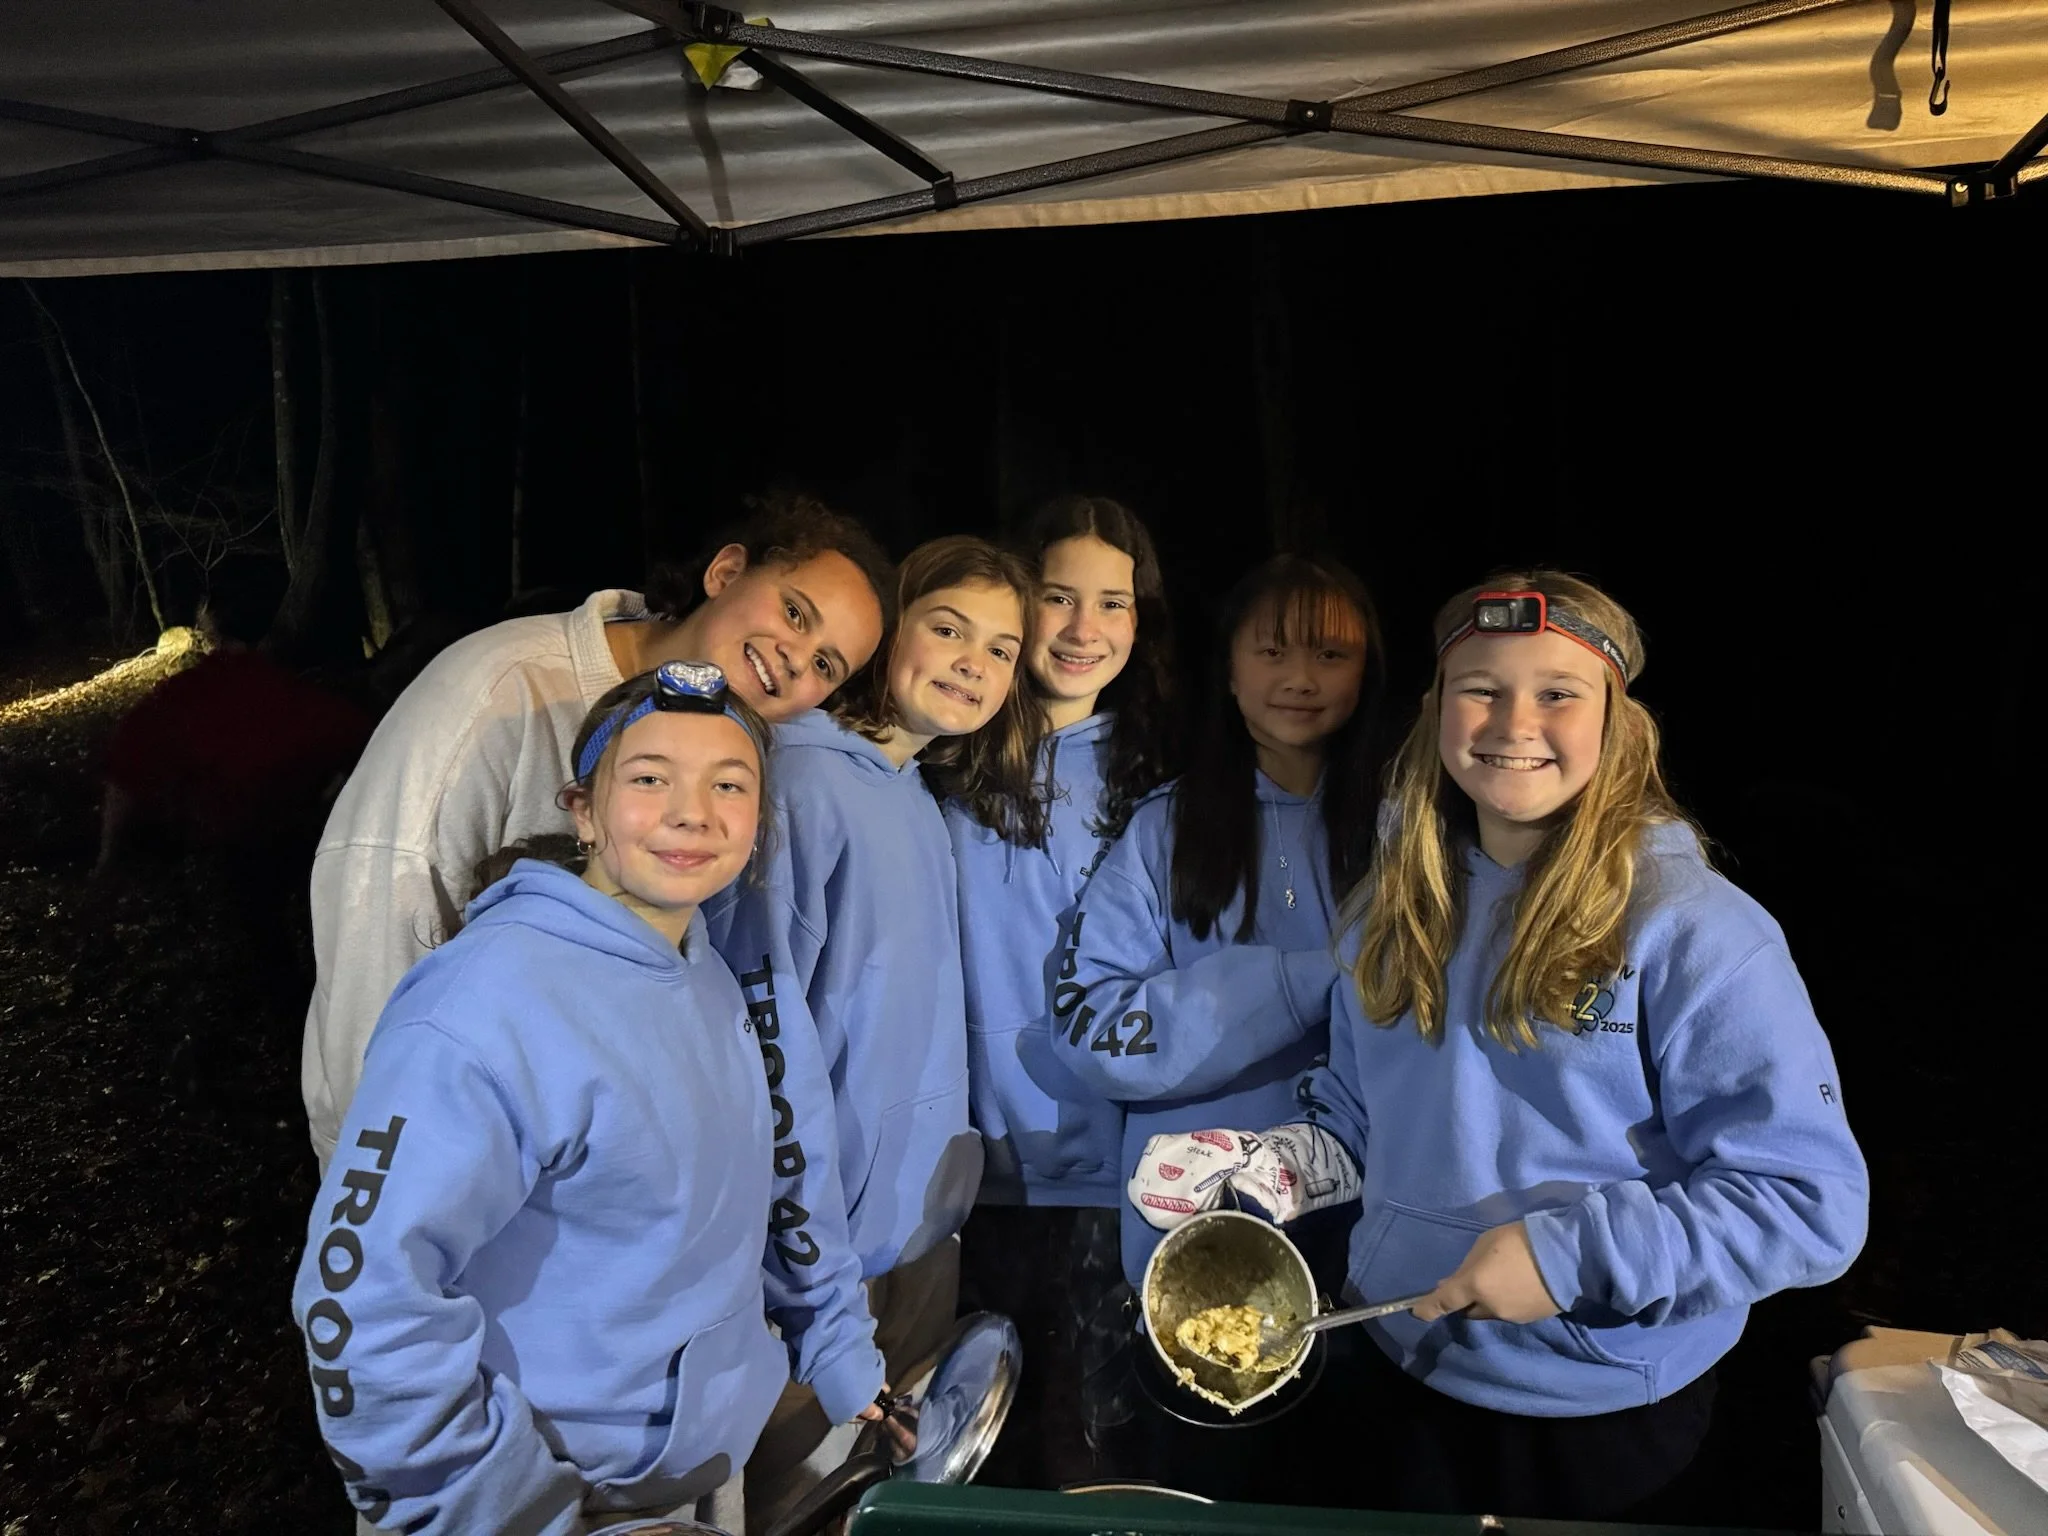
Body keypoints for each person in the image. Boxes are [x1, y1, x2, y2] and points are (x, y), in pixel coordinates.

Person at [1128, 572, 1870, 1521]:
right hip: (1401, 1364)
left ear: (1617, 722)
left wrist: (1570, 1261)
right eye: (1481, 687)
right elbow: (1363, 1113)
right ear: (1436, 711)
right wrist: (1275, 1164)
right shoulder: (1393, 910)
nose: (1515, 721)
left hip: (1600, 1410)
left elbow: (1808, 1203)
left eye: (1559, 693)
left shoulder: (1698, 935)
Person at [291, 662, 790, 1535]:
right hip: (548, 1499)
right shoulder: (485, 1005)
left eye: (729, 784)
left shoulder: (696, 963)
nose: (692, 811)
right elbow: (360, 1303)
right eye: (648, 779)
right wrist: (505, 1511)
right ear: (584, 811)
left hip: (685, 1473)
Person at [300, 494, 892, 1168]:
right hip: (458, 1176)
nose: (795, 658)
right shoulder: (503, 693)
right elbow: (378, 931)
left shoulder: (738, 760)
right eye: (794, 612)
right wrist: (391, 1179)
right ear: (726, 572)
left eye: (825, 665)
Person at [707, 535, 1040, 1531]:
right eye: (947, 628)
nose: (973, 661)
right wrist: (806, 1278)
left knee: (882, 1511)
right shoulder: (802, 783)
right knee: (791, 1508)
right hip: (813, 1275)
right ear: (891, 630)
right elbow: (762, 1045)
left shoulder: (913, 798)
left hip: (911, 1249)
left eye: (1001, 648)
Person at [1053, 552, 1384, 1499]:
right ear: (1229, 667)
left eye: (1330, 654)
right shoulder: (1166, 828)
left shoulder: (1413, 832)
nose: (1300, 679)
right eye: (1271, 650)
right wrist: (1298, 984)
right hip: (1192, 1245)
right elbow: (1089, 1023)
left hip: (1371, 1249)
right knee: (1206, 1497)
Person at [946, 496, 1178, 1485]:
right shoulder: (943, 761)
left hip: (1119, 1182)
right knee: (974, 1465)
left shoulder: (1164, 772)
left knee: (1096, 1465)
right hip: (965, 1185)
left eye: (1111, 603)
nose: (1084, 630)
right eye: (1056, 597)